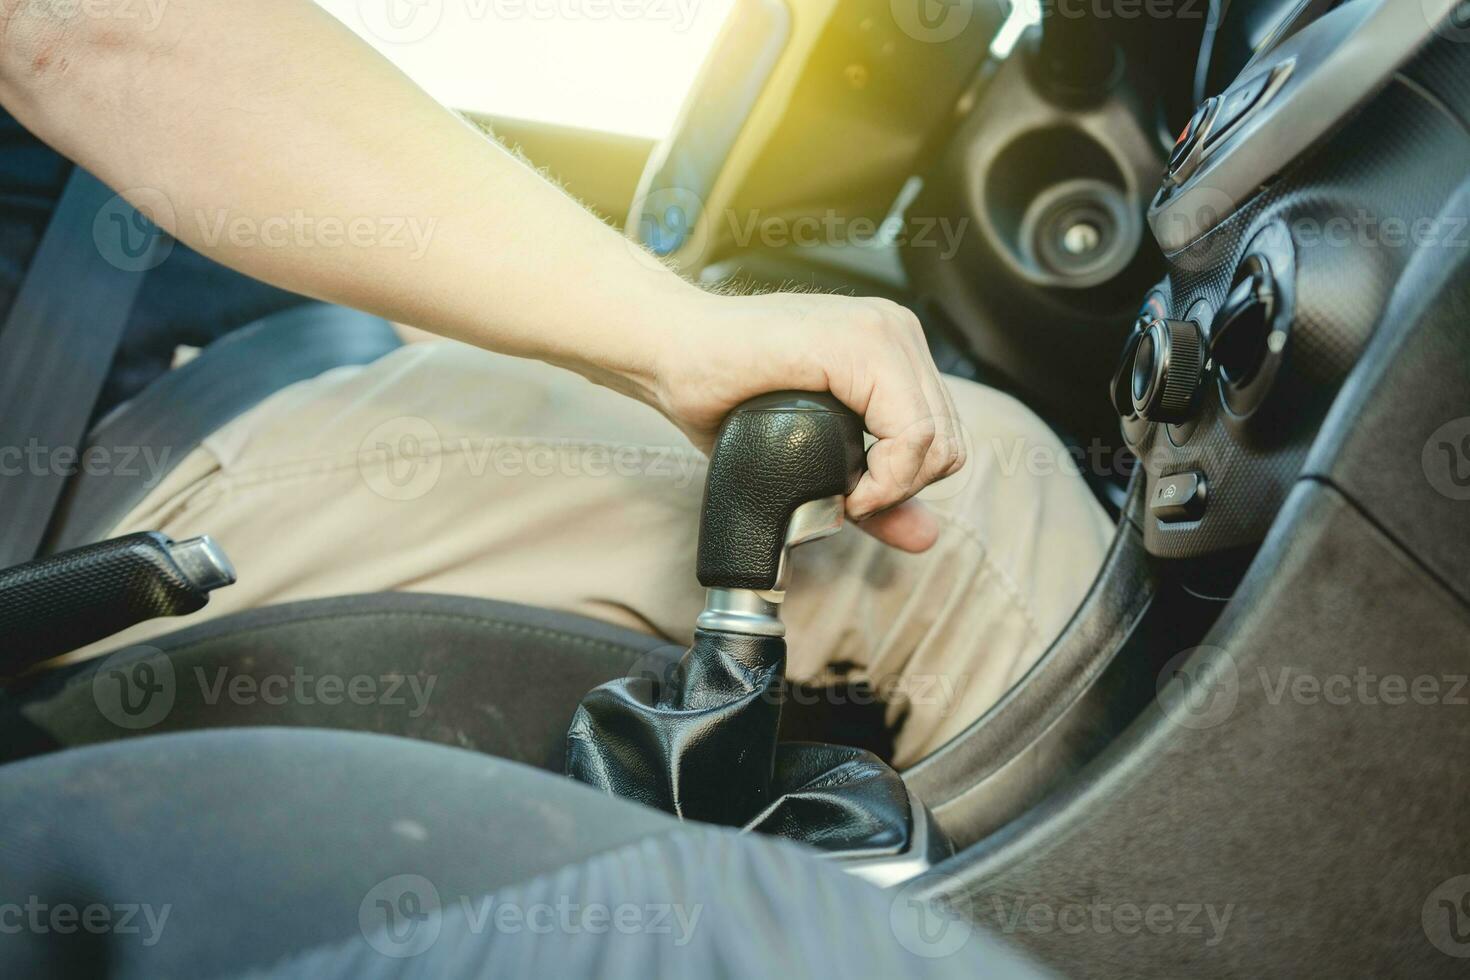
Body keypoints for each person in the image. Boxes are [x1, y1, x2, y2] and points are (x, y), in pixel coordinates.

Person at [0, 0, 1111, 764]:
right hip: (83, 495)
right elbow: (92, 36)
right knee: (973, 509)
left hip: (211, 366)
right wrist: (669, 333)